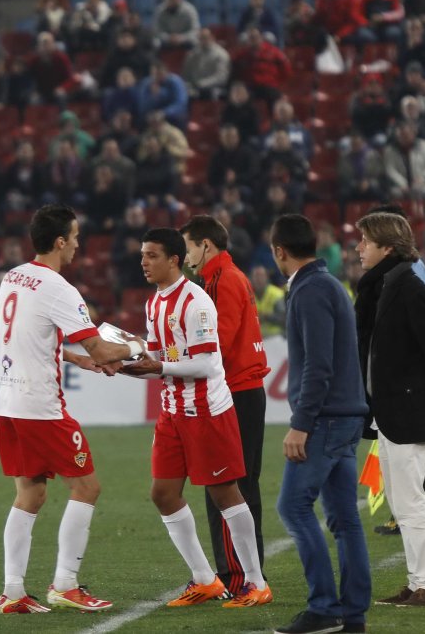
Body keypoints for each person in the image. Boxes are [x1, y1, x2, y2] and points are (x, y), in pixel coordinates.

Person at [0, 204, 147, 615]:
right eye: (75, 237)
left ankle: (12, 592)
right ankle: (65, 584)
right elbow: (102, 347)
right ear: (60, 241)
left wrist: (75, 358)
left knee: (31, 492)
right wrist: (138, 346)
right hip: (41, 406)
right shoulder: (58, 287)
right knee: (86, 487)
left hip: (7, 403)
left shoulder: (13, 277)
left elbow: (30, 338)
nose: (78, 245)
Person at [117, 228, 271, 609]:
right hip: (172, 411)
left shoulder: (196, 301)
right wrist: (123, 366)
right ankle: (206, 579)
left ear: (174, 259)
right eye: (142, 255)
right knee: (163, 493)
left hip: (205, 411)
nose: (143, 262)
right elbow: (157, 361)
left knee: (225, 494)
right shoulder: (154, 303)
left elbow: (206, 362)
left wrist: (160, 366)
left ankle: (255, 581)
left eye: (152, 255)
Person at [270, 214, 370, 634]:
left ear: (280, 252)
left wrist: (301, 423)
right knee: (344, 517)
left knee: (292, 507)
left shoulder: (310, 291)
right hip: (345, 415)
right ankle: (352, 613)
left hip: (325, 420)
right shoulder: (331, 285)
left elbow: (318, 365)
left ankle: (325, 609)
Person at [352, 212, 425, 606]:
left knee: (411, 501)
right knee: (400, 500)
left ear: (387, 247)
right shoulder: (387, 285)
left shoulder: (408, 287)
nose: (359, 249)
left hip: (408, 408)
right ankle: (417, 581)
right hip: (389, 409)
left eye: (366, 242)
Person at [179, 216, 270, 598]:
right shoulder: (226, 278)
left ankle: (238, 579)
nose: (185, 257)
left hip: (234, 392)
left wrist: (172, 357)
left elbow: (219, 342)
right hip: (243, 390)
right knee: (237, 485)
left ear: (206, 245)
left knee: (226, 486)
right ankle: (246, 575)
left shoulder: (221, 282)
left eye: (187, 247)